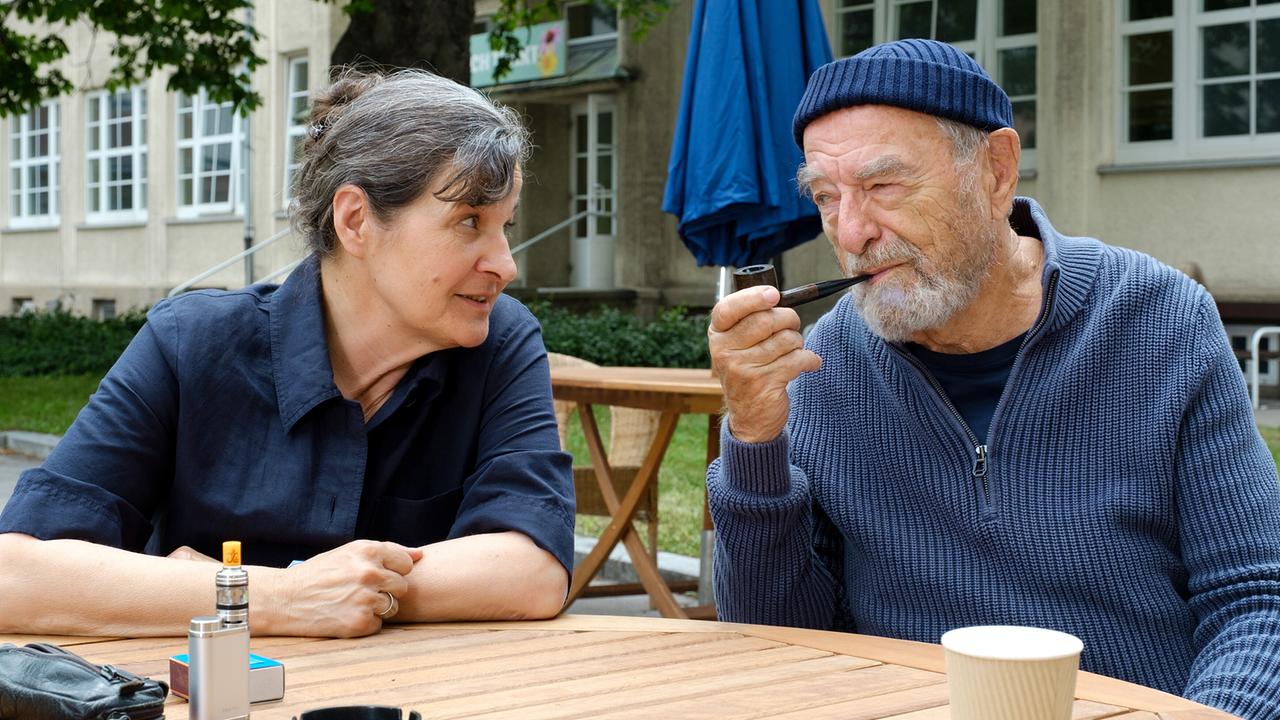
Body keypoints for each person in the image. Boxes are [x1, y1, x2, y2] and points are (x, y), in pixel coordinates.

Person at [706, 39, 1280, 719]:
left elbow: (1256, 602)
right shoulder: (824, 367)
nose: (852, 231)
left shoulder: (1156, 320)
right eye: (827, 197)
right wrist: (754, 443)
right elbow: (781, 645)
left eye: (883, 185)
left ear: (997, 171)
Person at [0, 69, 575, 637]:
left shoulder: (499, 339)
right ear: (356, 221)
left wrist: (251, 590)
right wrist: (282, 597)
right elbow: (16, 574)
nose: (505, 264)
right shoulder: (191, 342)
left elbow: (532, 569)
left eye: (504, 226)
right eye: (469, 221)